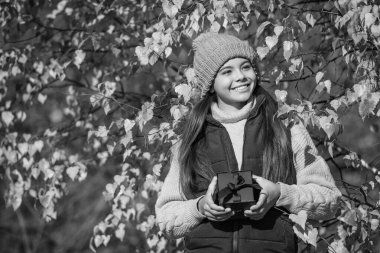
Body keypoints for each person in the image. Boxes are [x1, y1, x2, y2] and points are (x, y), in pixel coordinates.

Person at [155, 32, 341, 253]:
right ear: (211, 84)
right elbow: (166, 218)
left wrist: (280, 194)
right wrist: (200, 207)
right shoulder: (192, 138)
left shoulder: (285, 127)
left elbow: (330, 200)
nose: (241, 76)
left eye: (246, 67)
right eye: (227, 71)